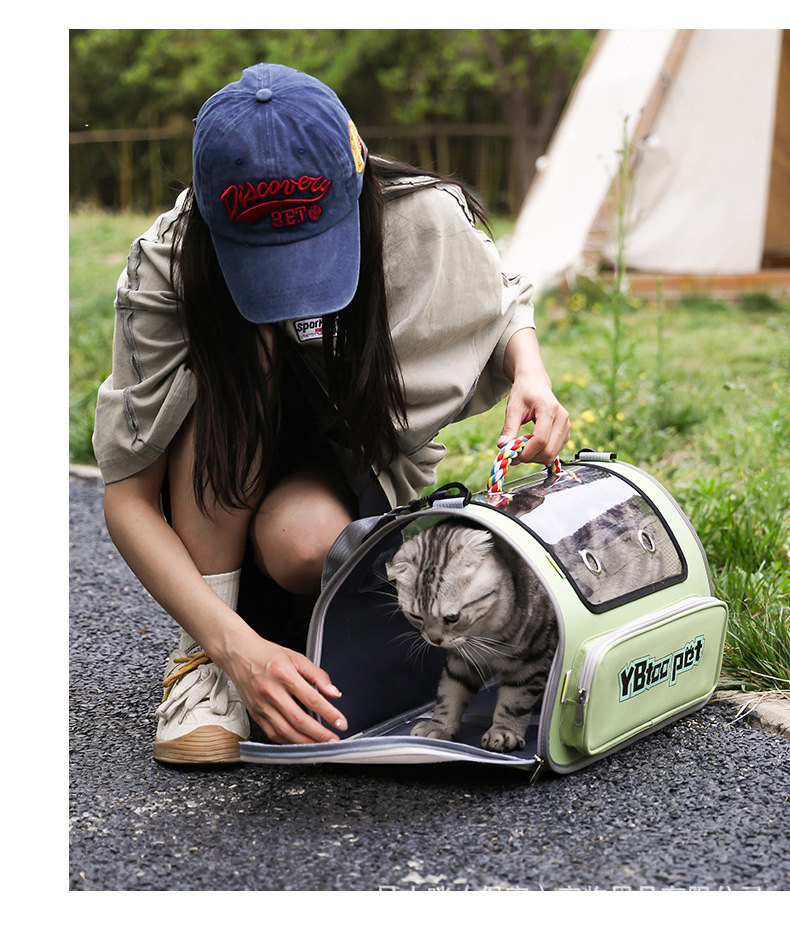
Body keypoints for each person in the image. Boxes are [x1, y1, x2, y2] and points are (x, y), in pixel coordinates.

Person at [93, 63, 570, 765]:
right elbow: (128, 496)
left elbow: (501, 297)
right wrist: (231, 649)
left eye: (312, 253)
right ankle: (203, 669)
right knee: (243, 352)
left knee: (303, 544)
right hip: (211, 477)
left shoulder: (421, 218)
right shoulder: (170, 259)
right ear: (211, 215)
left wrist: (531, 371)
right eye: (266, 264)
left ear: (359, 173)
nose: (294, 293)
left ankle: (301, 620)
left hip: (348, 462)